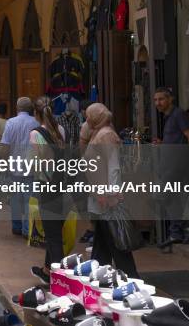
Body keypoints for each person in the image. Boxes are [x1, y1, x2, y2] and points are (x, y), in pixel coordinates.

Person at [83, 103, 139, 278]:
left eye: (89, 116)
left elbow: (113, 166)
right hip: (99, 193)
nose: (87, 119)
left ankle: (132, 277)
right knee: (104, 238)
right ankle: (98, 272)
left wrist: (111, 193)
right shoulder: (99, 133)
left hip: (105, 196)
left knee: (114, 238)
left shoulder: (106, 135)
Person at [153, 87, 189, 249]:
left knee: (167, 196)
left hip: (178, 164)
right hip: (169, 164)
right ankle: (180, 230)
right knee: (171, 197)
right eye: (156, 100)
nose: (158, 103)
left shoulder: (179, 114)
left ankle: (181, 229)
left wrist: (188, 161)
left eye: (161, 99)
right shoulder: (168, 117)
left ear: (170, 99)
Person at [29, 96, 67, 285]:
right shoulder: (61, 130)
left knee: (53, 236)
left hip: (47, 186)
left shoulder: (36, 134)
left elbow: (40, 163)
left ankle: (60, 280)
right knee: (55, 229)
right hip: (63, 185)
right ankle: (47, 269)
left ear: (36, 114)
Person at [0, 97, 39, 237]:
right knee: (30, 198)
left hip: (14, 166)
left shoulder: (11, 122)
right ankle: (27, 229)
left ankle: (17, 226)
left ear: (17, 108)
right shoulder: (36, 122)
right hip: (31, 166)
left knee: (16, 197)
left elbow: (5, 145)